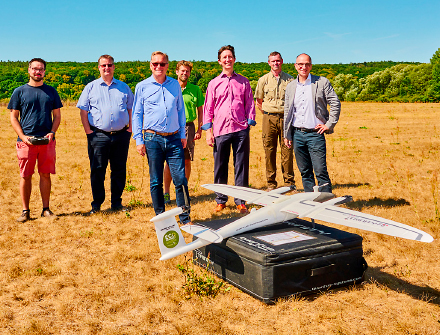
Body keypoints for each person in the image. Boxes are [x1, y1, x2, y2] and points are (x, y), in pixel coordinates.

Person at [132, 51, 191, 224]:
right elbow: (137, 114)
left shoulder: (174, 85)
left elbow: (180, 110)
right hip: (152, 139)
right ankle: (161, 219)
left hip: (174, 139)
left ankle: (185, 218)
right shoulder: (142, 87)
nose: (159, 67)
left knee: (180, 179)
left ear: (167, 66)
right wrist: (139, 140)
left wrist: (182, 134)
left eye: (162, 64)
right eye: (155, 63)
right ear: (150, 65)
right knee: (156, 181)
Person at [202, 45, 256, 214]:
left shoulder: (244, 81)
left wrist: (248, 124)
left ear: (234, 59)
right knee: (220, 166)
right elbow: (208, 108)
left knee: (241, 165)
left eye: (230, 56)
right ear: (219, 61)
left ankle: (241, 200)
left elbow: (250, 104)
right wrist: (208, 132)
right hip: (220, 130)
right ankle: (221, 200)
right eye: (224, 57)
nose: (227, 60)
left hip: (240, 129)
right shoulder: (213, 84)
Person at [77, 54, 134, 214]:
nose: (107, 68)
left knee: (119, 169)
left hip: (121, 135)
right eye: (103, 65)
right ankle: (97, 204)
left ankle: (116, 203)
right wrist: (89, 132)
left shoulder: (123, 87)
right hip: (98, 135)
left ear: (114, 67)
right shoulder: (91, 87)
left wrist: (130, 128)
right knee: (98, 169)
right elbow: (83, 110)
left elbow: (131, 107)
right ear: (99, 67)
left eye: (109, 65)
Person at [9, 58, 62, 222]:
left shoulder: (51, 91)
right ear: (29, 70)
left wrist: (52, 132)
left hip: (47, 141)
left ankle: (46, 209)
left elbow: (57, 116)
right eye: (34, 69)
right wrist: (23, 137)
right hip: (26, 141)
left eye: (41, 69)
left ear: (44, 72)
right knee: (25, 176)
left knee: (45, 174)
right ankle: (25, 211)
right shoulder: (19, 91)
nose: (37, 72)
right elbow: (13, 117)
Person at [283, 53, 341, 193]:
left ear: (311, 66)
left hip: (315, 134)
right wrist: (287, 134)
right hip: (297, 134)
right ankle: (310, 202)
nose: (304, 67)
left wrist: (329, 124)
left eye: (307, 64)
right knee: (305, 172)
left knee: (320, 170)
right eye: (300, 64)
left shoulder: (321, 82)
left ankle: (326, 201)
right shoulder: (291, 86)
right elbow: (288, 112)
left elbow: (335, 103)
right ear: (295, 66)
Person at [163, 60, 204, 204]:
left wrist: (200, 129)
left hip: (189, 127)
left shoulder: (195, 89)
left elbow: (200, 110)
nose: (184, 73)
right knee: (170, 161)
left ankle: (183, 191)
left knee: (187, 160)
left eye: (187, 71)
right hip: (173, 128)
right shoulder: (170, 88)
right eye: (182, 71)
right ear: (176, 72)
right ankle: (166, 192)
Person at [254, 51, 295, 191]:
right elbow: (258, 101)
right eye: (273, 61)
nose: (275, 63)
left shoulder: (290, 80)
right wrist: (266, 112)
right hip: (269, 118)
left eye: (277, 61)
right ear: (269, 63)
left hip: (286, 118)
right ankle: (271, 183)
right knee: (269, 151)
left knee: (287, 151)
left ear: (282, 61)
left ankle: (289, 183)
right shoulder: (263, 80)